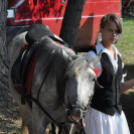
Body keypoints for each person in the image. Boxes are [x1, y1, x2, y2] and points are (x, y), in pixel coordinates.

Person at [84, 14, 134, 134]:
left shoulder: (118, 57)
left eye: (117, 31)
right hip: (99, 116)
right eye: (110, 30)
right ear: (101, 30)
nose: (114, 34)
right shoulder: (93, 56)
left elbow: (118, 88)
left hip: (117, 116)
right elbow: (83, 89)